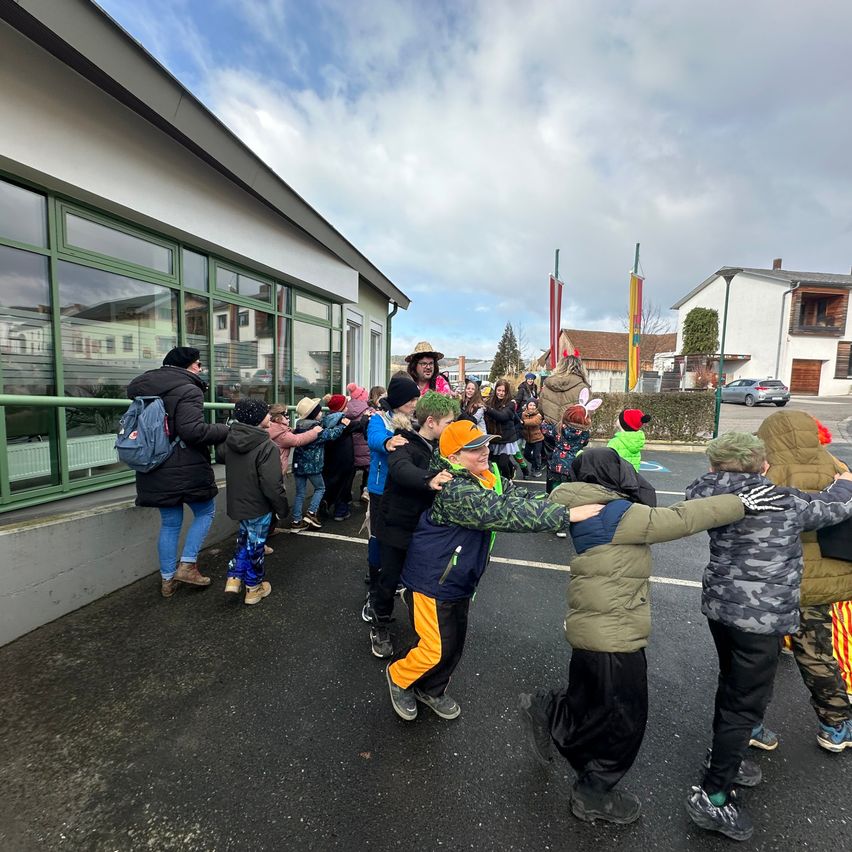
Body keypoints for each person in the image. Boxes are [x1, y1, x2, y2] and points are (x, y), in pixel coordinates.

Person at [517, 449, 782, 826]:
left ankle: (547, 706)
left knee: (592, 698)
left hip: (594, 626)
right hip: (614, 633)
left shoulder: (587, 503)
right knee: (623, 721)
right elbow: (679, 518)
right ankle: (592, 794)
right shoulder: (613, 513)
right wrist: (738, 501)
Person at [682, 432, 852, 842]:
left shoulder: (704, 491)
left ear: (713, 466)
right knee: (745, 705)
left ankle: (726, 754)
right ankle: (714, 795)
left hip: (721, 611)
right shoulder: (782, 501)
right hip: (760, 619)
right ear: (764, 467)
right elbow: (835, 507)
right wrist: (845, 479)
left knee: (732, 686)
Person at [385, 421, 606, 723]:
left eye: (486, 444)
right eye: (475, 448)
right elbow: (504, 513)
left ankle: (431, 689)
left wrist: (568, 498)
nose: (485, 452)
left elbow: (519, 500)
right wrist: (566, 516)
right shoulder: (454, 488)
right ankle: (399, 677)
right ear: (453, 456)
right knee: (435, 648)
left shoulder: (489, 477)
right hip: (432, 581)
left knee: (452, 647)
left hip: (461, 579)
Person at [756, 410, 852, 750]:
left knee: (757, 656)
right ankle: (835, 723)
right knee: (816, 652)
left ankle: (751, 723)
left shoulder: (765, 469)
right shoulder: (837, 467)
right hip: (815, 580)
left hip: (772, 580)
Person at [127, 346, 228, 598]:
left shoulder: (144, 388)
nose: (200, 369)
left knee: (170, 523)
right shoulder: (188, 389)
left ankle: (167, 580)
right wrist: (227, 430)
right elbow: (193, 431)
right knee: (205, 510)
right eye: (198, 364)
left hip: (154, 464)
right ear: (189, 365)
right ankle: (187, 565)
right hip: (185, 464)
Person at [367, 392, 459, 658]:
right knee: (389, 578)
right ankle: (380, 623)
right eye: (448, 423)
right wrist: (428, 479)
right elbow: (401, 469)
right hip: (396, 525)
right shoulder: (403, 443)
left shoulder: (442, 448)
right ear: (431, 421)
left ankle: (422, 625)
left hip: (423, 529)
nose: (451, 428)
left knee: (420, 580)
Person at [218, 400, 291, 605]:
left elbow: (221, 455)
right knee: (256, 546)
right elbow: (271, 484)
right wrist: (282, 507)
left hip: (238, 503)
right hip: (259, 505)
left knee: (245, 539)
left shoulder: (231, 439)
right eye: (267, 414)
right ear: (258, 419)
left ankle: (234, 576)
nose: (270, 417)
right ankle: (254, 587)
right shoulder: (266, 446)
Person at [364, 375, 420, 609]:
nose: (415, 403)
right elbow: (374, 438)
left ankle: (393, 576)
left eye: (416, 398)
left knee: (399, 537)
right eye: (411, 399)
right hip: (380, 489)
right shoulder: (379, 420)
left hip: (402, 489)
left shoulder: (413, 421)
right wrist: (388, 442)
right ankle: (375, 585)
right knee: (378, 537)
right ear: (399, 400)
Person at [290, 396, 349, 531]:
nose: (322, 414)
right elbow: (331, 435)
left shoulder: (299, 425)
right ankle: (311, 513)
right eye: (319, 411)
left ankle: (296, 520)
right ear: (314, 414)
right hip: (312, 465)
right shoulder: (315, 429)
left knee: (300, 493)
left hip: (298, 464)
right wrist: (343, 425)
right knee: (320, 488)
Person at [541, 389, 601, 496]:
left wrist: (544, 422)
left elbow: (545, 430)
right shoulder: (584, 434)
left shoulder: (558, 429)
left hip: (556, 465)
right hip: (574, 467)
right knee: (569, 493)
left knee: (553, 492)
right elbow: (585, 443)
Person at [322, 394, 361, 521]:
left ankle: (325, 502)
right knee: (344, 484)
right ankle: (341, 511)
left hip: (329, 457)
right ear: (342, 407)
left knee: (331, 481)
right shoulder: (343, 421)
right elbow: (358, 426)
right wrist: (367, 417)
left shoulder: (326, 420)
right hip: (345, 458)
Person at [538, 350, 590, 426]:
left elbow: (541, 408)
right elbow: (587, 412)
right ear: (580, 367)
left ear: (560, 366)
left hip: (550, 430)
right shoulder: (583, 388)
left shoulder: (547, 385)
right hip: (573, 431)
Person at [485, 379, 523, 481]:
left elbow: (503, 416)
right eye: (499, 390)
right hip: (494, 438)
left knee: (502, 463)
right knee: (495, 463)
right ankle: (511, 468)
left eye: (503, 391)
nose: (501, 393)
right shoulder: (490, 402)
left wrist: (488, 409)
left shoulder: (510, 404)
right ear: (495, 390)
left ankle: (508, 479)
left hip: (506, 439)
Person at [345, 384, 371, 504]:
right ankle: (365, 491)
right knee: (368, 470)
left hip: (351, 446)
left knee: (351, 472)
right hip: (365, 445)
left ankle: (347, 494)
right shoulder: (368, 410)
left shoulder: (346, 409)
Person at [521, 400, 545, 476]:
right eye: (530, 405)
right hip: (528, 439)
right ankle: (537, 463)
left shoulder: (538, 415)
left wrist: (523, 422)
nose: (532, 407)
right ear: (527, 406)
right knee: (526, 454)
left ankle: (537, 469)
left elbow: (534, 422)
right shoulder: (523, 414)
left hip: (537, 439)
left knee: (536, 455)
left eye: (534, 405)